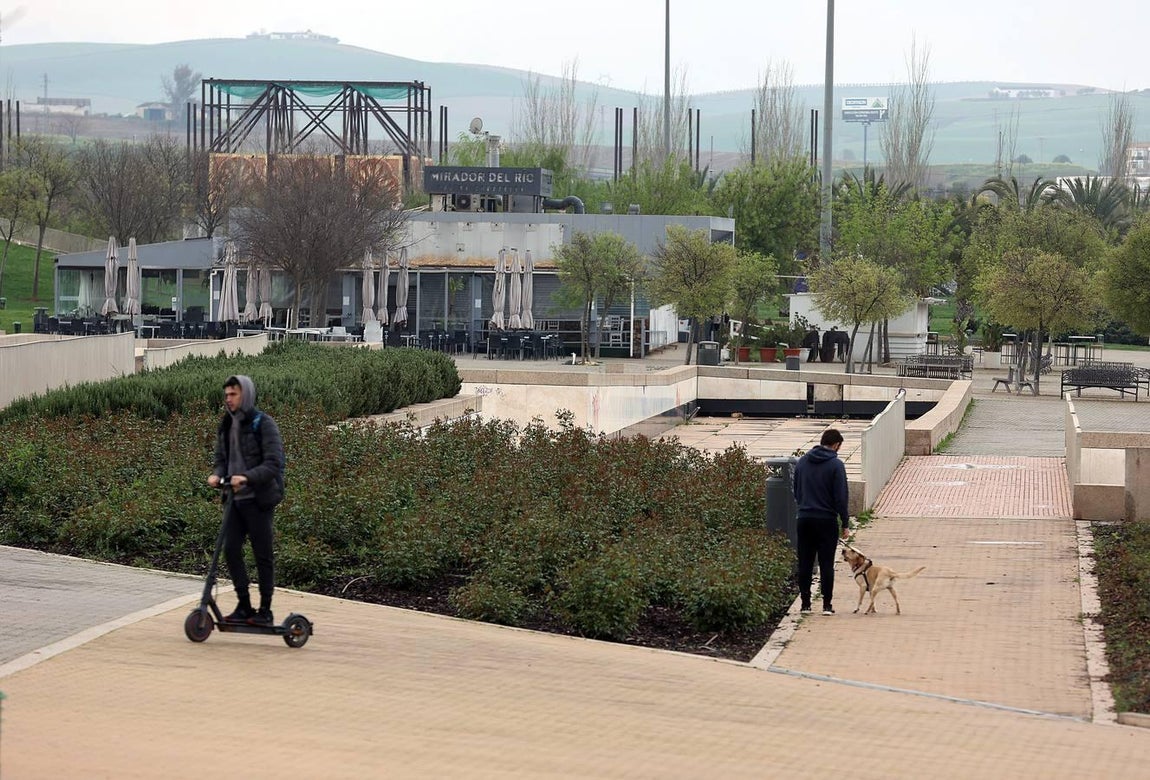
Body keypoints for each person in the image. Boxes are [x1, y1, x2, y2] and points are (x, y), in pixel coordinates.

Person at [208, 375, 285, 626]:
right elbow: (222, 457)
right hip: (234, 499)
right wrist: (217, 475)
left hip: (259, 499)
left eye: (234, 394)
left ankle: (265, 611)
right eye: (227, 394)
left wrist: (247, 478)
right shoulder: (227, 424)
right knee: (230, 550)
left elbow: (273, 464)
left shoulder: (264, 424)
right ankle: (243, 604)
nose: (228, 399)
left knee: (262, 555)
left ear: (246, 395)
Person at [792, 428, 851, 615]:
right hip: (826, 521)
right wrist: (845, 522)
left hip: (805, 519)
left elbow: (796, 489)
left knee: (805, 562)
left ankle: (805, 604)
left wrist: (804, 506)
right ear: (836, 445)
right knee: (826, 563)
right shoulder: (836, 465)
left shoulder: (802, 462)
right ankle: (826, 605)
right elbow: (841, 497)